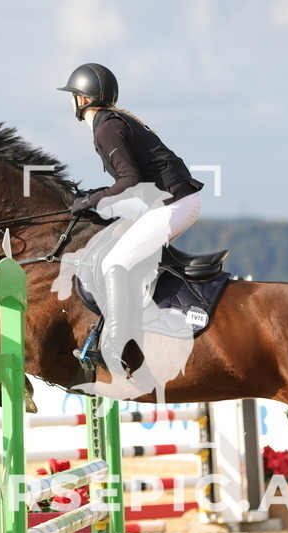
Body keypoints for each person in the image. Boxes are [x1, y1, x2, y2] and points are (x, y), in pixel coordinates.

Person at [57, 62, 204, 373]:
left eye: (72, 95)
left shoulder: (107, 127)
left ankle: (115, 348)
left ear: (83, 99)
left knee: (115, 263)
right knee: (116, 252)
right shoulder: (112, 122)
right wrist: (91, 196)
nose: (70, 101)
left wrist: (93, 199)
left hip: (173, 204)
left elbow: (130, 181)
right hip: (170, 201)